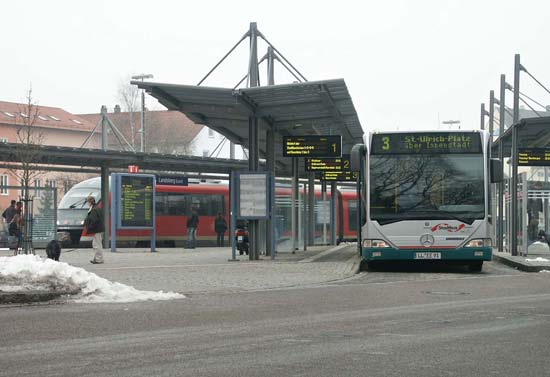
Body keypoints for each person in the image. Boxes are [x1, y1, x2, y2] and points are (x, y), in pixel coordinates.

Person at [84, 196, 105, 264]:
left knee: (97, 245)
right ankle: (97, 258)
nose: (87, 203)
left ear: (90, 202)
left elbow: (94, 220)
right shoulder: (96, 208)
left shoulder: (94, 210)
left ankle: (99, 259)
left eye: (87, 202)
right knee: (96, 244)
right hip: (98, 229)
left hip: (97, 230)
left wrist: (90, 227)